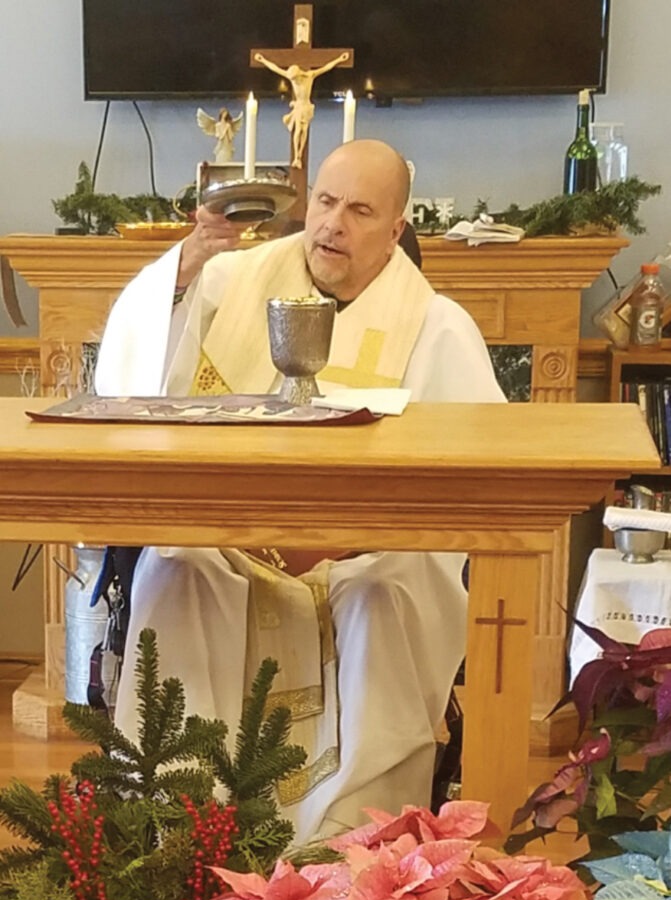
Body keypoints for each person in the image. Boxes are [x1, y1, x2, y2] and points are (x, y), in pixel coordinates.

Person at [94, 139, 506, 846]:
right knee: (175, 566)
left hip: (365, 552)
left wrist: (350, 538)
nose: (331, 224)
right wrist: (182, 272)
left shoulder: (437, 328)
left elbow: (478, 475)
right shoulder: (228, 284)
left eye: (359, 210)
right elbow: (137, 383)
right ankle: (182, 825)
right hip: (231, 541)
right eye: (323, 201)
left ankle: (353, 844)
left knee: (389, 591)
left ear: (397, 228)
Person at [254, 51, 351, 168]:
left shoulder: (310, 76)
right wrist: (263, 60)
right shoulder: (291, 78)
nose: (293, 81)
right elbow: (275, 68)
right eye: (292, 79)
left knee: (304, 131)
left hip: (307, 106)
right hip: (299, 106)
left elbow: (326, 68)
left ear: (299, 74)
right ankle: (297, 157)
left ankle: (299, 154)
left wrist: (339, 59)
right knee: (298, 130)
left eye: (295, 78)